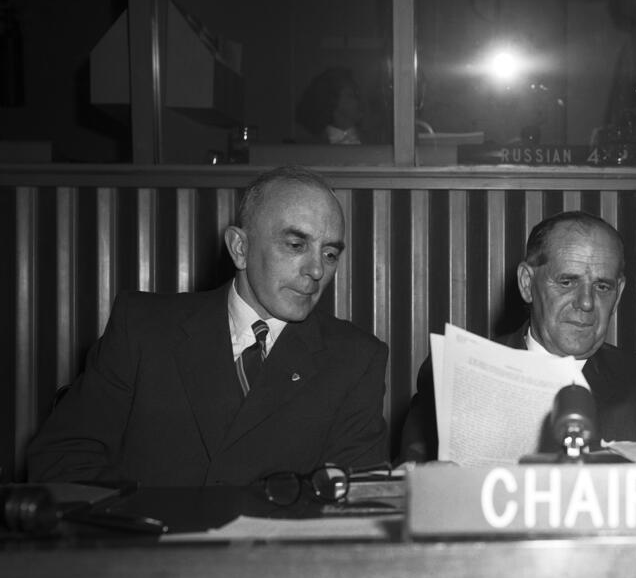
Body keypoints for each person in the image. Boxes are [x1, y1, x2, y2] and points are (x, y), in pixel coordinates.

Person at [27, 166, 389, 486]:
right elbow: (62, 457)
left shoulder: (355, 359)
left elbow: (355, 498)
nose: (316, 270)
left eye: (329, 254)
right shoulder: (142, 328)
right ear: (240, 248)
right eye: (296, 245)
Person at [400, 210, 636, 461]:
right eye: (567, 282)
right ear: (527, 283)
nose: (586, 302)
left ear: (619, 293)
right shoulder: (454, 372)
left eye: (602, 287)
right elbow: (406, 487)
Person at [295, 67, 367, 145]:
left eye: (357, 94)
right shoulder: (309, 147)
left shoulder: (372, 140)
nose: (359, 100)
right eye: (351, 95)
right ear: (332, 101)